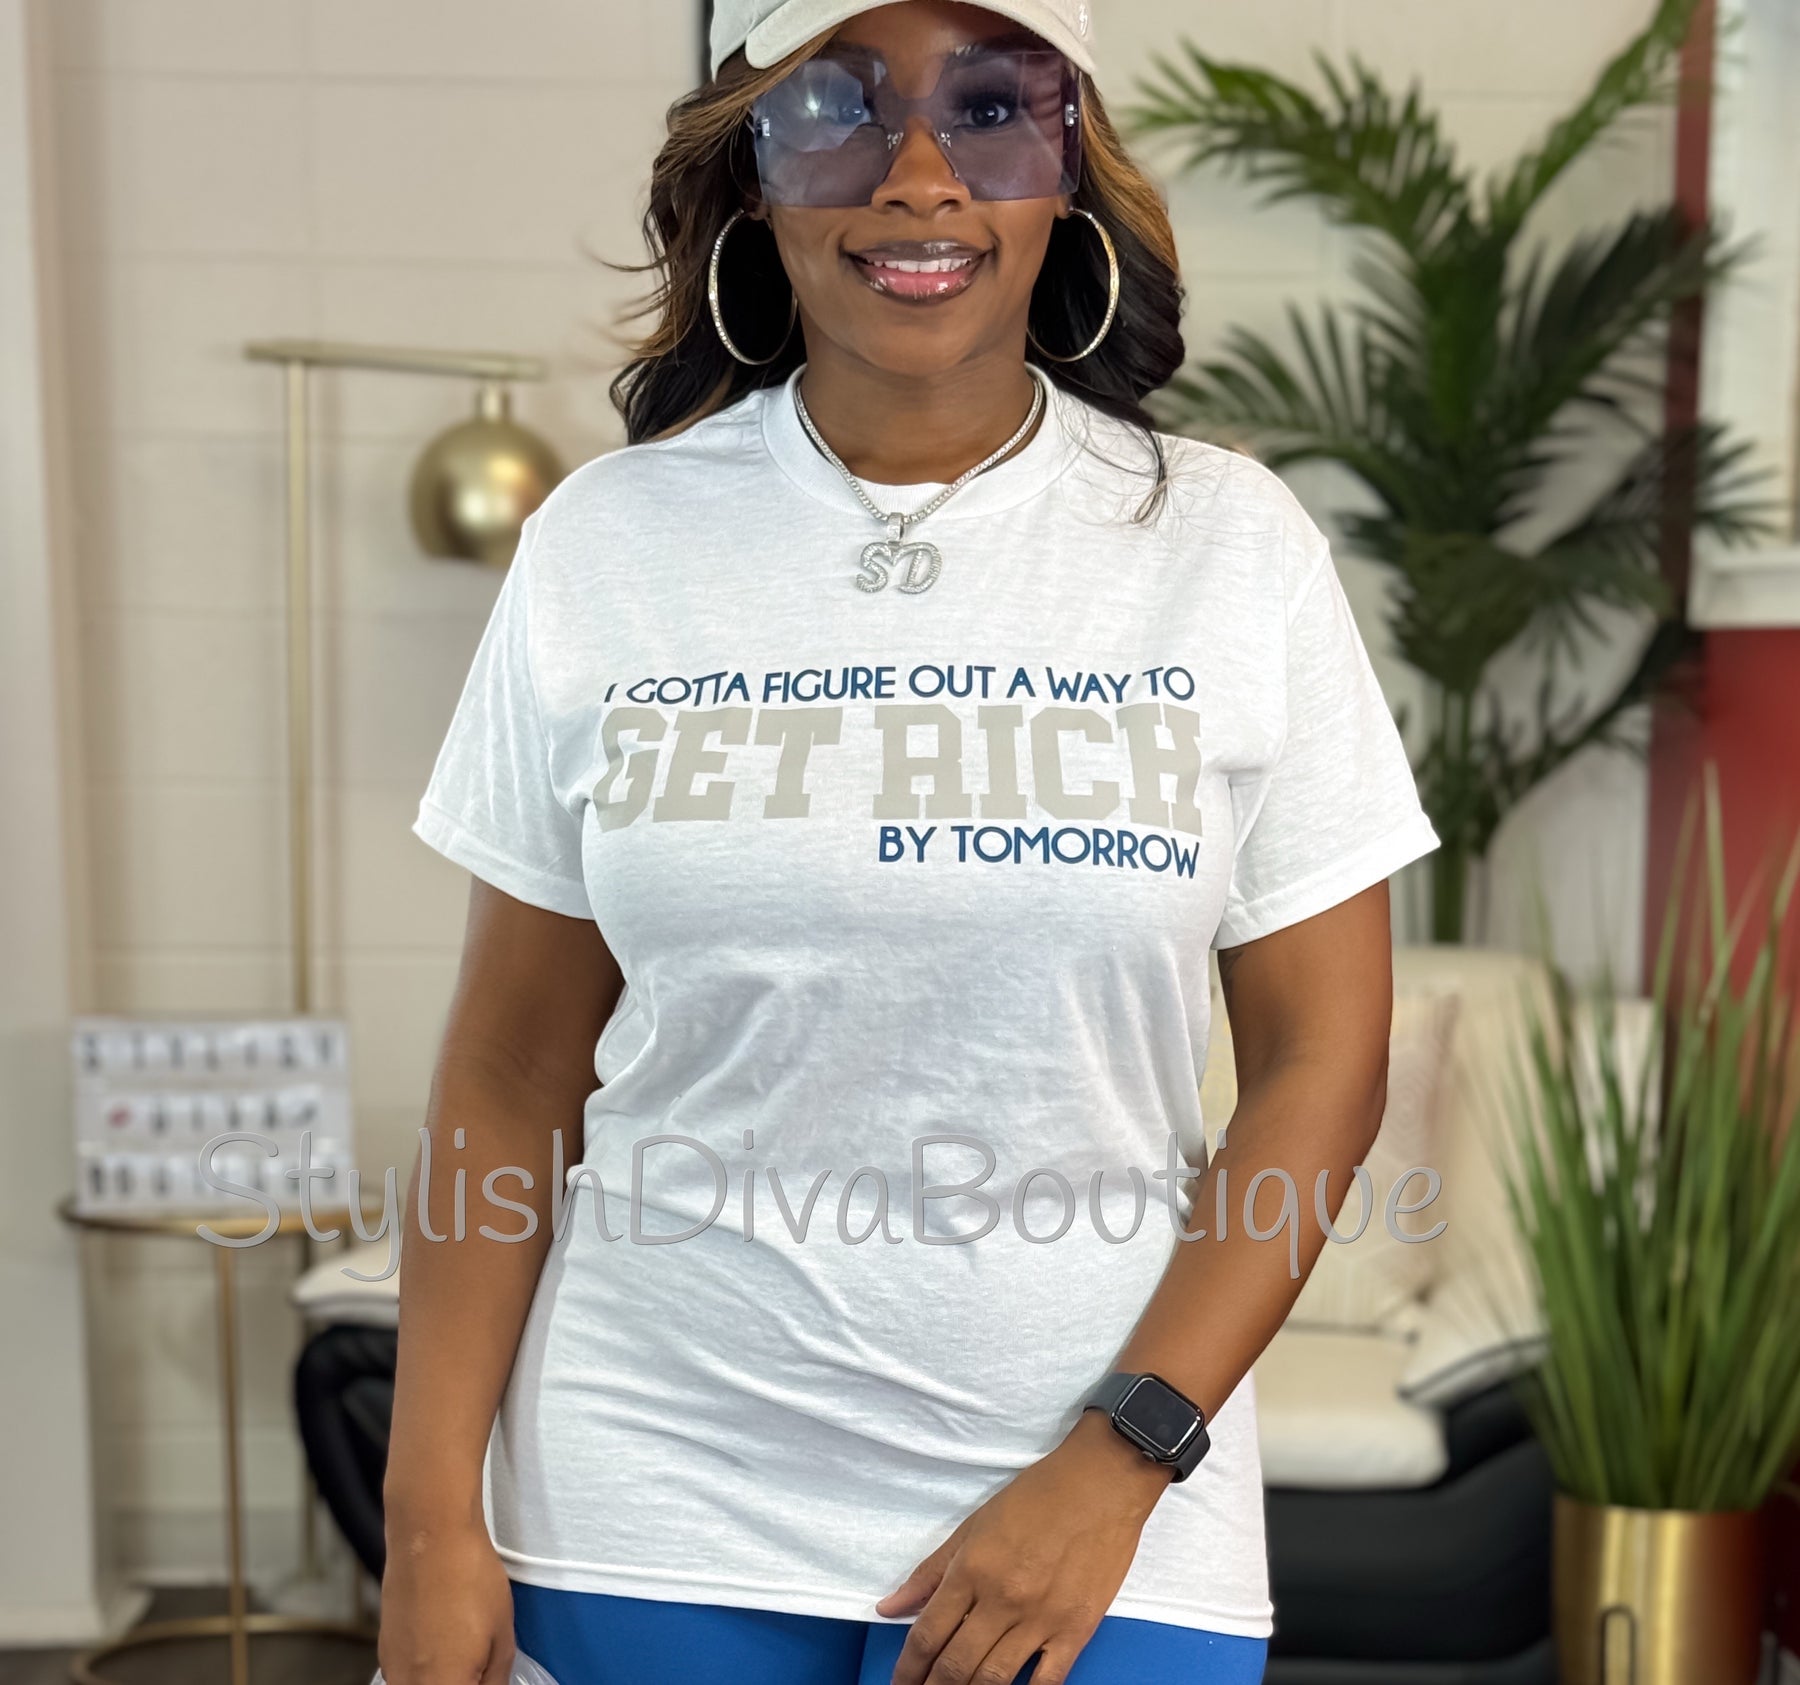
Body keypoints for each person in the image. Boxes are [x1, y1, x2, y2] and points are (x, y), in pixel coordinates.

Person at [377, 1, 1441, 1682]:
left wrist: (1119, 1458)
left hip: (1102, 1515)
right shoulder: (608, 546)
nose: (922, 176)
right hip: (650, 1498)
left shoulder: (1230, 548)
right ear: (749, 171)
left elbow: (1325, 1063)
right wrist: (430, 1521)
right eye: (837, 110)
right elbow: (510, 1071)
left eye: (994, 108)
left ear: (1070, 166)